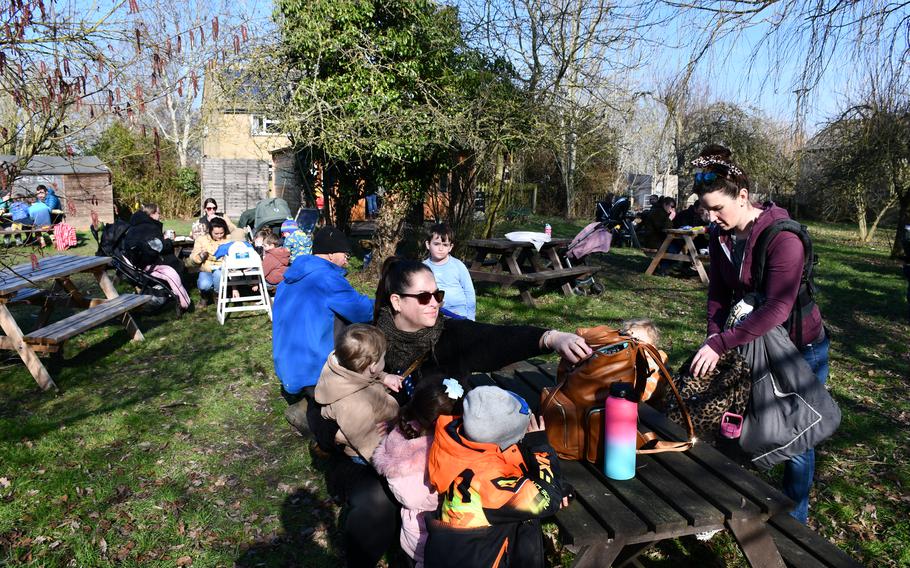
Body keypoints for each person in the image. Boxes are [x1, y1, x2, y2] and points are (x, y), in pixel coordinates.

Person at [315, 257, 589, 568]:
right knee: (373, 504)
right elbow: (329, 396)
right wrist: (333, 434)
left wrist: (552, 338)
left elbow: (497, 339)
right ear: (396, 302)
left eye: (438, 295)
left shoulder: (450, 335)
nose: (434, 304)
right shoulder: (370, 342)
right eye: (423, 297)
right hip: (385, 453)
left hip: (451, 450)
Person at [688, 144, 828, 524]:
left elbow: (778, 308)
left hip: (801, 348)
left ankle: (794, 523)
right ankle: (738, 508)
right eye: (706, 208)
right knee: (745, 425)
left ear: (744, 197)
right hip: (751, 345)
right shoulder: (719, 236)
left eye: (718, 208)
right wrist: (713, 337)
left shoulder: (783, 238)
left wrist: (721, 342)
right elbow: (718, 292)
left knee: (796, 438)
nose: (711, 216)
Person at [425, 386, 564, 568]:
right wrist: (539, 447)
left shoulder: (455, 441)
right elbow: (547, 499)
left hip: (454, 552)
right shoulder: (487, 484)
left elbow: (503, 462)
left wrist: (558, 487)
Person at [272, 226, 374, 406]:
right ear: (330, 254)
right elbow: (363, 311)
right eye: (346, 255)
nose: (346, 261)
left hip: (287, 369)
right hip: (314, 372)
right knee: (357, 325)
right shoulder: (326, 279)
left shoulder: (288, 279)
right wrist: (386, 300)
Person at [372, 377, 464, 568]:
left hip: (414, 532)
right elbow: (414, 498)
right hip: (425, 534)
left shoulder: (400, 431)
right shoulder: (430, 457)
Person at [314, 325, 404, 462]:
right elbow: (369, 444)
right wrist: (388, 462)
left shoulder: (342, 366)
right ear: (373, 366)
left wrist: (384, 377)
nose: (384, 360)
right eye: (383, 357)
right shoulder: (354, 405)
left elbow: (362, 373)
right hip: (368, 447)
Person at [124, 203, 191, 311]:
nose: (159, 216)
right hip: (147, 264)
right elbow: (158, 247)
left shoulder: (135, 226)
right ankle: (181, 299)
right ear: (152, 214)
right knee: (178, 264)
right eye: (158, 213)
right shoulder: (150, 227)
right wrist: (168, 241)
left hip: (136, 263)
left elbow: (150, 245)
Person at [422, 223, 476, 320]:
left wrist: (471, 317)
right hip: (435, 312)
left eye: (445, 245)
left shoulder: (458, 266)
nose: (441, 248)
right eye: (436, 244)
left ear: (450, 247)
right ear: (428, 244)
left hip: (460, 311)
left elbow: (469, 291)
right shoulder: (423, 268)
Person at [621, 318, 668, 403]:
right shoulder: (625, 357)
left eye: (637, 342)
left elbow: (645, 392)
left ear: (652, 347)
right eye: (627, 342)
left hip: (647, 406)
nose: (632, 347)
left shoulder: (651, 363)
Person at [190, 216, 231, 307]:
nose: (219, 236)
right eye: (216, 233)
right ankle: (204, 295)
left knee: (218, 275)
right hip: (206, 269)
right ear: (210, 231)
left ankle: (217, 295)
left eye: (222, 233)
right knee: (204, 285)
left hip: (221, 269)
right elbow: (193, 258)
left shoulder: (229, 240)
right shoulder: (202, 239)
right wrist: (201, 256)